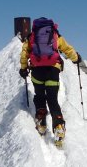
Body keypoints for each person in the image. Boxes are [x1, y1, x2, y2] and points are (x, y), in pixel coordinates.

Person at [19, 17, 82, 146]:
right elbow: (67, 49)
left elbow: (24, 53)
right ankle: (58, 126)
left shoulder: (32, 37)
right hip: (53, 71)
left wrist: (23, 68)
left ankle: (41, 123)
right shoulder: (55, 34)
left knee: (40, 96)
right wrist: (76, 58)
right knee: (52, 99)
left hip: (37, 71)